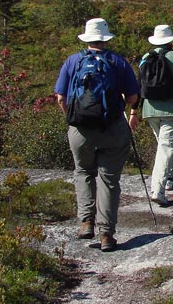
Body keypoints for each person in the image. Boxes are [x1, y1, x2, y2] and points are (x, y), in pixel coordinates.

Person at [54, 18, 140, 252]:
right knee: (109, 179)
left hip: (80, 129)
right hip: (112, 127)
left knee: (83, 171)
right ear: (105, 38)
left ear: (87, 38)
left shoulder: (73, 61)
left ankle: (86, 222)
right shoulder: (118, 62)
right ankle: (106, 235)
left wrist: (71, 119)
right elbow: (133, 97)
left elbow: (61, 98)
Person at [139, 24, 173, 206]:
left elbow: (141, 84)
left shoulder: (146, 58)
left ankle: (168, 179)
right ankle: (157, 190)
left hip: (149, 109)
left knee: (163, 146)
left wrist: (133, 111)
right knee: (165, 148)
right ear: (171, 40)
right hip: (172, 108)